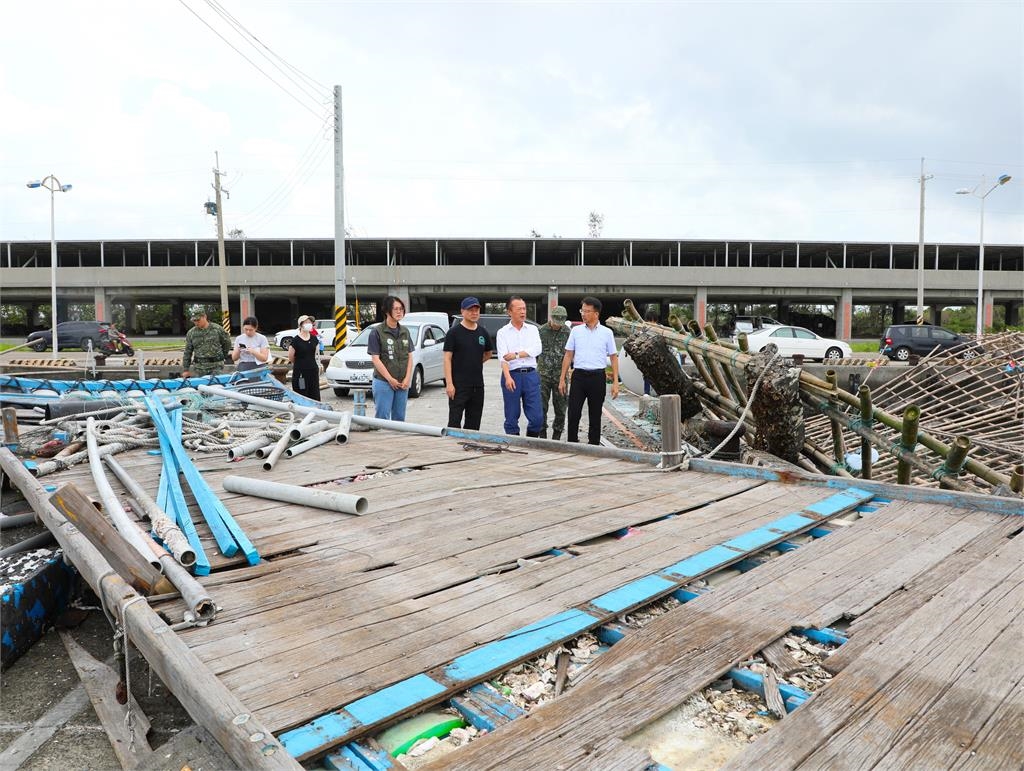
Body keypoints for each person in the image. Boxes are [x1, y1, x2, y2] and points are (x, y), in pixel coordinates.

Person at [558, 296, 620, 445]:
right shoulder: (576, 331)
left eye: (587, 311)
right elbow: (568, 354)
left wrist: (615, 382)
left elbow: (613, 357)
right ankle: (572, 443)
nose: (583, 314)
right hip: (578, 376)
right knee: (573, 412)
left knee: (595, 414)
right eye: (582, 311)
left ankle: (593, 445)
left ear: (596, 313)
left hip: (597, 377)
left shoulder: (607, 333)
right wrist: (562, 379)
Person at [443, 297, 494, 430]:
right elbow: (447, 358)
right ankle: (452, 444)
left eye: (476, 310)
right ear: (462, 311)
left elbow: (488, 353)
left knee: (474, 424)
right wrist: (449, 384)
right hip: (458, 386)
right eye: (470, 310)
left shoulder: (482, 332)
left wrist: (474, 362)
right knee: (454, 422)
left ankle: (470, 443)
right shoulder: (453, 333)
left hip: (477, 386)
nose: (474, 313)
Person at [496, 296, 543, 437]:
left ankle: (530, 442)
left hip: (531, 376)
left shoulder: (533, 330)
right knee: (511, 417)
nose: (523, 312)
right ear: (509, 312)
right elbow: (503, 358)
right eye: (519, 309)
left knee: (537, 418)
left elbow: (537, 349)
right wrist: (507, 377)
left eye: (524, 309)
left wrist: (516, 355)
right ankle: (514, 444)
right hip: (512, 375)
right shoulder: (503, 332)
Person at [367, 295, 414, 421]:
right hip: (383, 382)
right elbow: (375, 359)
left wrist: (407, 378)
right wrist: (390, 379)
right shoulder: (377, 332)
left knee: (399, 418)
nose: (399, 312)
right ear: (387, 311)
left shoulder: (405, 331)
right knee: (382, 417)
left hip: (402, 383)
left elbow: (410, 356)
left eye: (401, 309)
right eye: (396, 309)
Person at [538, 305, 570, 440]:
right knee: (541, 407)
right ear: (551, 318)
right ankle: (542, 435)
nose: (558, 325)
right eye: (556, 322)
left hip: (560, 376)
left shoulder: (568, 332)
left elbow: (570, 353)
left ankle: (557, 435)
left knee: (561, 408)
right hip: (543, 376)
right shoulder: (541, 331)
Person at [181, 310, 231, 378]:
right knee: (200, 384)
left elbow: (227, 343)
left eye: (198, 320)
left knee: (216, 384)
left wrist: (222, 356)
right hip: (199, 368)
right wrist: (186, 369)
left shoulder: (217, 329)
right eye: (194, 321)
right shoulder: (191, 333)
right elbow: (187, 351)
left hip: (216, 366)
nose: (196, 323)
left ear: (205, 317)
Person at [288, 314, 322, 401]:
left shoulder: (314, 339)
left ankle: (315, 408)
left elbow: (315, 354)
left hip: (313, 370)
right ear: (301, 325)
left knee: (314, 392)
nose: (309, 324)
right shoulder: (296, 340)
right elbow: (291, 357)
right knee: (302, 391)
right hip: (300, 373)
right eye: (306, 322)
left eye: (310, 322)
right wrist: (300, 363)